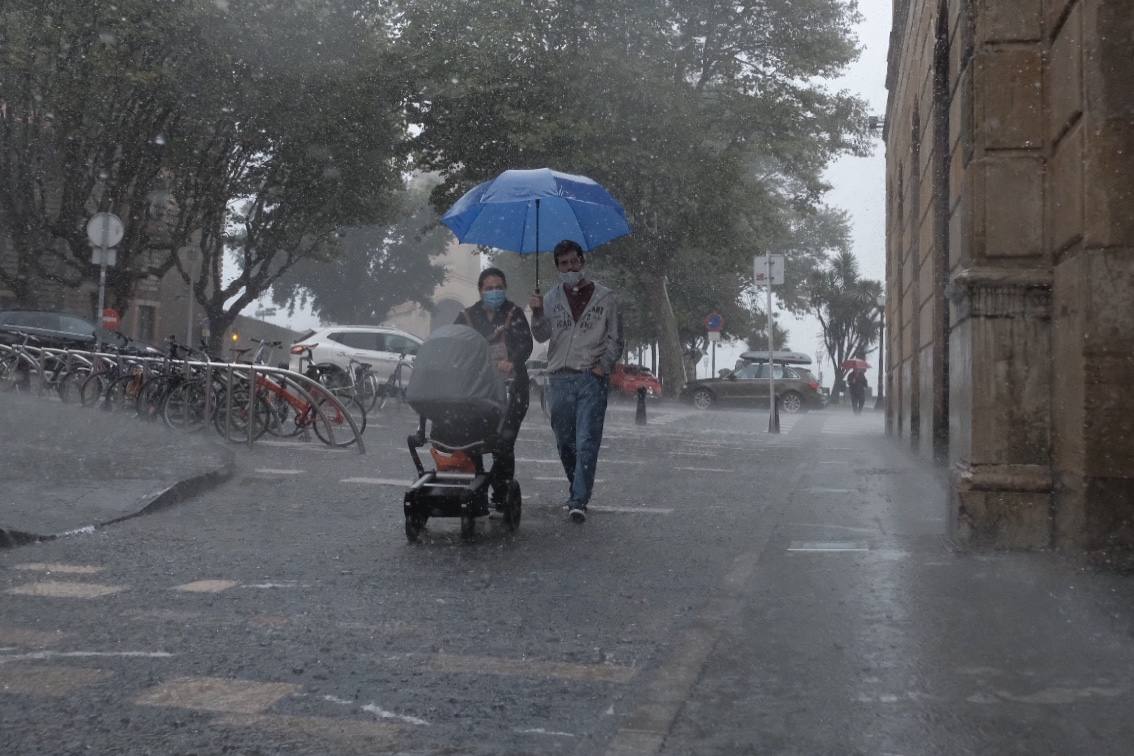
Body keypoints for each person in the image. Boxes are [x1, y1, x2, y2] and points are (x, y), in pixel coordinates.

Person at [529, 239, 623, 523]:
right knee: (565, 442)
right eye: (564, 264)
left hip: (589, 379)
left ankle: (578, 499)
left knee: (586, 441)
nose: (570, 267)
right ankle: (576, 486)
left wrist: (601, 368)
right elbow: (543, 335)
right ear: (557, 268)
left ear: (583, 261)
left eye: (574, 261)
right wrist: (536, 313)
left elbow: (615, 339)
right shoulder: (550, 298)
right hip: (559, 378)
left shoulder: (606, 298)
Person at [455, 267, 533, 505]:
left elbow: (525, 344)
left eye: (499, 287)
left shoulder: (514, 313)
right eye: (489, 288)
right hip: (478, 392)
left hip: (512, 391)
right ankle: (477, 486)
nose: (494, 292)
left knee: (503, 442)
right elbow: (454, 344)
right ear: (480, 291)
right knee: (472, 441)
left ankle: (501, 491)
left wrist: (513, 361)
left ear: (505, 288)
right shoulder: (467, 316)